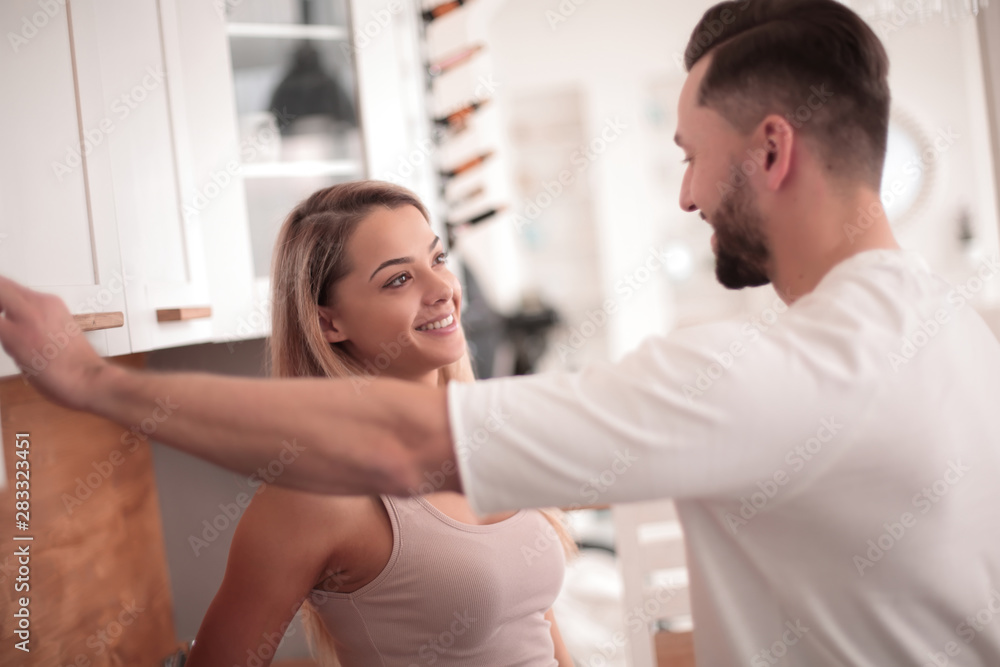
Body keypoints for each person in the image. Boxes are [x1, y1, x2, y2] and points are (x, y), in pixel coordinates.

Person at [1, 0, 999, 664]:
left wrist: (94, 380)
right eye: (400, 272)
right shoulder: (964, 333)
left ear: (772, 149)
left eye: (692, 156)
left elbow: (403, 446)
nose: (688, 194)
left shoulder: (766, 371)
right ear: (332, 319)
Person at [181, 181, 574, 666]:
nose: (443, 291)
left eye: (437, 259)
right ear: (329, 324)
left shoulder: (485, 436)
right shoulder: (316, 494)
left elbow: (534, 622)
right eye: (398, 280)